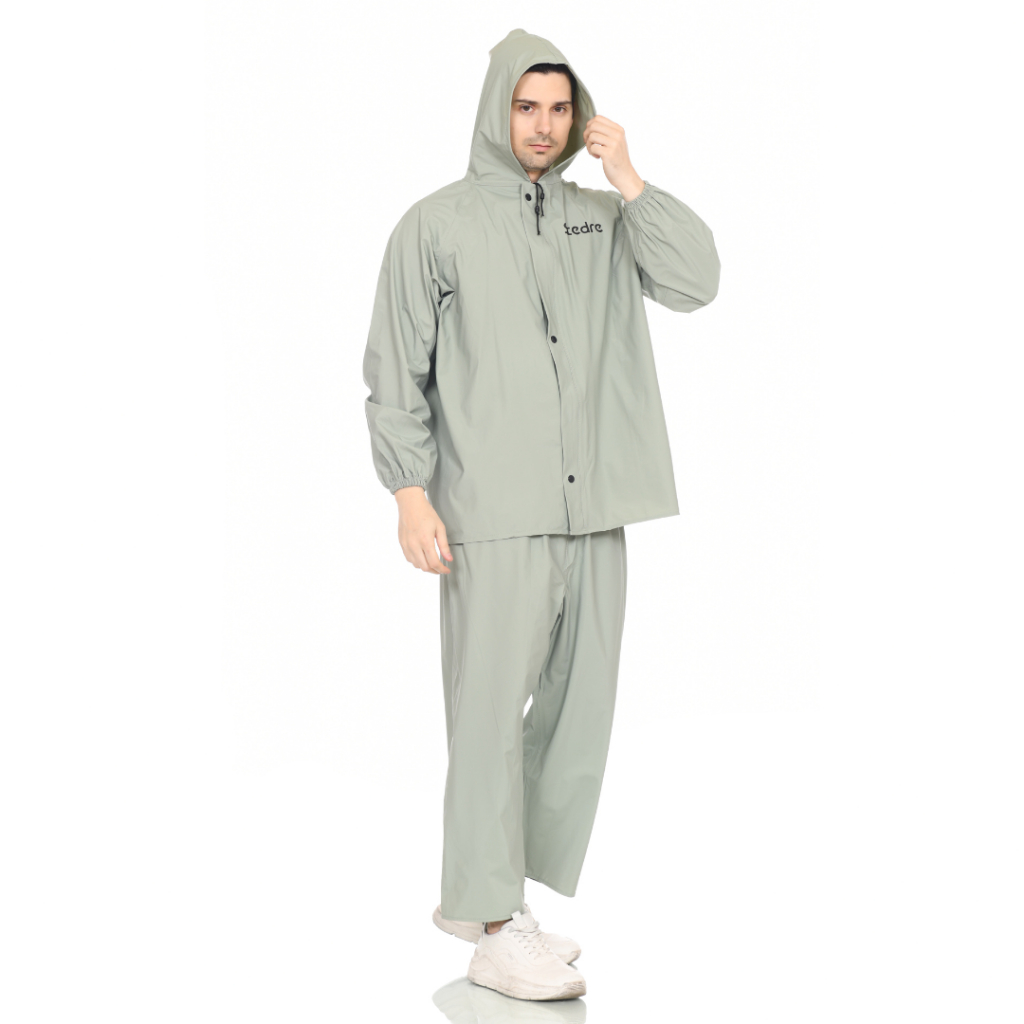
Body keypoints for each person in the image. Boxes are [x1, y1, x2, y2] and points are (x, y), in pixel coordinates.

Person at [362, 28, 720, 1001]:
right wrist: (409, 492)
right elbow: (396, 367)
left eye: (560, 108)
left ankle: (496, 900)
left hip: (597, 502)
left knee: (575, 715)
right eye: (527, 107)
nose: (544, 125)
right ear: (498, 108)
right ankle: (486, 923)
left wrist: (630, 177)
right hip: (491, 509)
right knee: (487, 715)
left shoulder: (602, 218)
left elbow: (695, 282)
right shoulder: (434, 224)